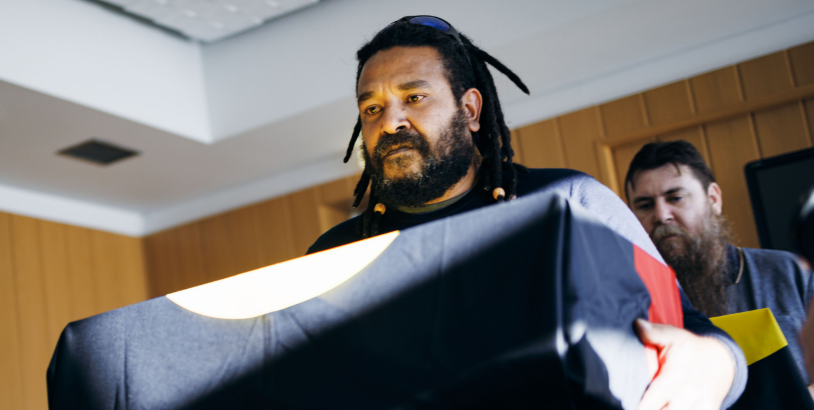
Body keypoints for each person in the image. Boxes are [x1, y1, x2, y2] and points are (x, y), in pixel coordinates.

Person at [307, 16, 746, 409]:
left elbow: (687, 327)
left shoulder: (571, 200)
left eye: (415, 97)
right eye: (372, 108)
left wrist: (717, 362)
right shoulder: (333, 255)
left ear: (471, 110)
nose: (390, 121)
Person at [624, 139, 813, 383]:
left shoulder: (794, 274)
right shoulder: (630, 301)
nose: (661, 215)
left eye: (676, 197)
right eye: (645, 205)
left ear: (713, 199)